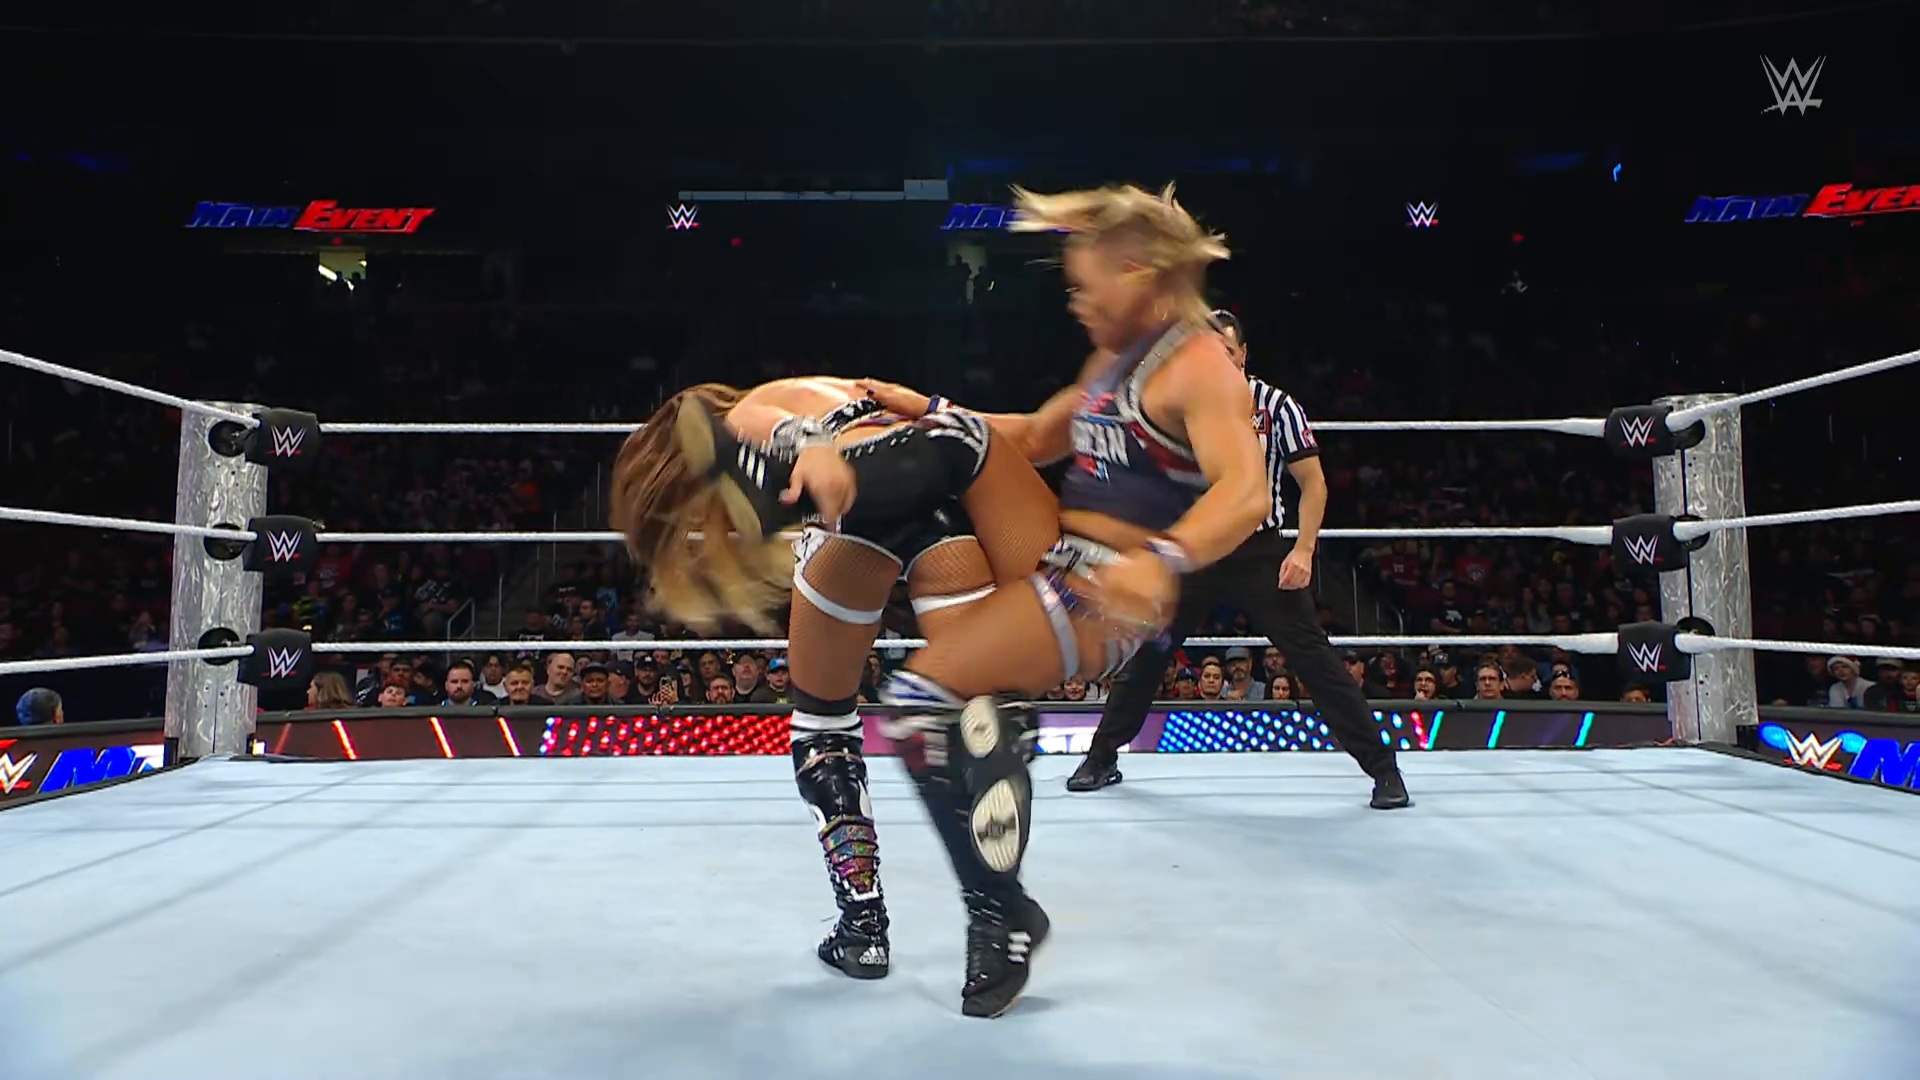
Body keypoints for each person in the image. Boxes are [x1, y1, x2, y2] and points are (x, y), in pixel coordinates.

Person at [851, 183, 1275, 1012]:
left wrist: (1166, 558)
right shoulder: (1113, 361)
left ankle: (1000, 913)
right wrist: (929, 410)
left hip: (1107, 590)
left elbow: (1247, 491)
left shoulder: (1198, 364)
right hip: (1057, 562)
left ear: (1140, 271)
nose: (1076, 303)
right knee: (947, 695)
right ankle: (1003, 761)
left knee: (915, 704)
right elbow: (1036, 437)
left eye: (1087, 285)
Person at [612, 371, 1059, 1015]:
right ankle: (996, 919)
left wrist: (800, 449)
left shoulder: (751, 411)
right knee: (974, 713)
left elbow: (780, 430)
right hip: (945, 513)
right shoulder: (858, 390)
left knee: (822, 724)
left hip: (853, 518)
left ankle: (863, 928)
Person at [1061, 309, 1410, 808]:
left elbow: (1313, 483)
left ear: (1243, 354)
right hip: (1193, 551)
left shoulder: (1276, 406)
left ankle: (1384, 770)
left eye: (1225, 351)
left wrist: (1304, 549)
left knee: (1314, 659)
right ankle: (1101, 757)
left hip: (1257, 551)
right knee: (1148, 653)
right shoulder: (1173, 408)